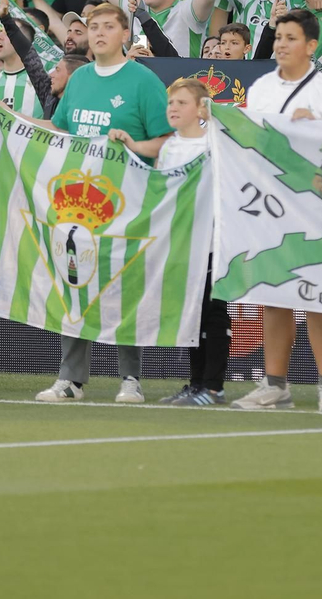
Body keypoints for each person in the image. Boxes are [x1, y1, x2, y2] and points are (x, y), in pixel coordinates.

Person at [32, 2, 171, 404]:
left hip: (129, 202)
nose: (99, 33)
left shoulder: (144, 81)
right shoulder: (79, 81)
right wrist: (11, 120)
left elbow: (166, 140)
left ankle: (131, 378)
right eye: (94, 27)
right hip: (78, 203)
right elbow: (59, 133)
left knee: (124, 289)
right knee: (74, 284)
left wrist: (132, 145)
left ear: (125, 34)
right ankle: (70, 379)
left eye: (108, 26)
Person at [232, 8, 322, 414]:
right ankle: (275, 384)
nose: (281, 44)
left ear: (311, 45)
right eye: (279, 37)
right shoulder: (262, 87)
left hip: (318, 205)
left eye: (290, 38)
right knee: (273, 292)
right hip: (272, 203)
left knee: (320, 294)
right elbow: (249, 141)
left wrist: (314, 126)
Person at [111, 79, 225, 406]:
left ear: (202, 108)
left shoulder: (215, 143)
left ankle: (213, 386)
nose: (172, 108)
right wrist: (129, 142)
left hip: (212, 242)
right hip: (181, 243)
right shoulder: (171, 145)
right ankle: (196, 384)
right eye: (171, 102)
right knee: (191, 313)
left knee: (212, 312)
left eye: (181, 103)